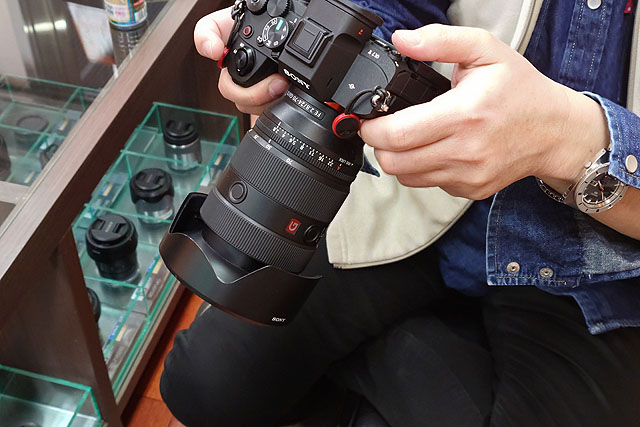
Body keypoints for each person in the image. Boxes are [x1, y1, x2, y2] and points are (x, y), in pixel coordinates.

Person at [161, 1, 640, 426]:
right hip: (415, 203)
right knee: (201, 385)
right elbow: (392, 9)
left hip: (592, 266)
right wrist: (329, 31)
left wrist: (568, 140)